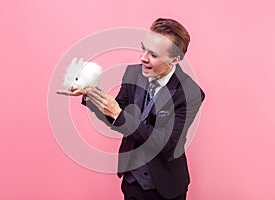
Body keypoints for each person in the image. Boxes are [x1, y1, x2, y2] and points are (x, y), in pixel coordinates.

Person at [57, 18, 205, 200]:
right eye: (143, 48)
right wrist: (91, 93)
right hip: (132, 182)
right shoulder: (133, 73)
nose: (143, 57)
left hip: (167, 188)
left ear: (175, 59)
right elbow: (116, 117)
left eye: (153, 54)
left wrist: (118, 114)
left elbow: (166, 143)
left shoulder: (190, 93)